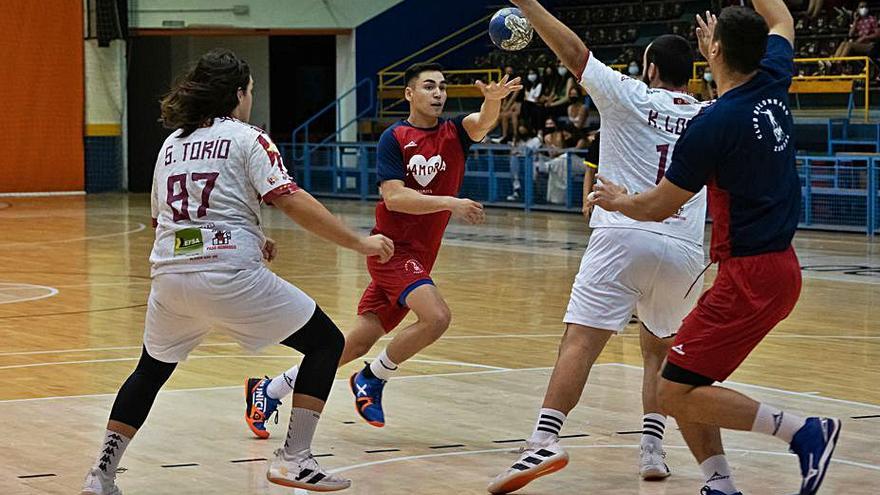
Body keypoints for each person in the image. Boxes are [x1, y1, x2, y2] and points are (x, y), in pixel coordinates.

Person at [78, 49, 395, 495]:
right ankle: (294, 458)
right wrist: (359, 241)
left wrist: (249, 236)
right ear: (239, 93)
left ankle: (101, 476)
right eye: (250, 91)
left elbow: (168, 219)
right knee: (326, 343)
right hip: (229, 276)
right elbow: (289, 199)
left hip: (170, 278)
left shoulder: (171, 145)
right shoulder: (250, 137)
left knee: (149, 371)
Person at [587, 3, 841, 495]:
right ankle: (719, 484)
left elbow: (660, 205)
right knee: (683, 379)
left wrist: (618, 199)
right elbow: (783, 18)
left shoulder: (714, 123)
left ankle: (804, 432)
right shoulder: (771, 80)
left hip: (752, 277)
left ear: (714, 48)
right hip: (772, 270)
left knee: (672, 389)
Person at [488, 1, 709, 492]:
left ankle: (542, 440)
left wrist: (529, 5)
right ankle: (653, 450)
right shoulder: (709, 114)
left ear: (649, 68)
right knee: (659, 352)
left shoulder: (627, 92)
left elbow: (574, 52)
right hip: (685, 248)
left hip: (622, 232)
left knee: (582, 342)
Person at [244, 62, 521, 434]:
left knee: (351, 345)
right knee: (437, 317)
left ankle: (269, 389)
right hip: (391, 251)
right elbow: (395, 198)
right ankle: (373, 378)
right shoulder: (395, 137)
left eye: (442, 87)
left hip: (420, 256)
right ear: (409, 93)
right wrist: (450, 202)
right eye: (429, 86)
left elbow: (483, 123)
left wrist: (492, 102)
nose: (438, 93)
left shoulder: (455, 132)